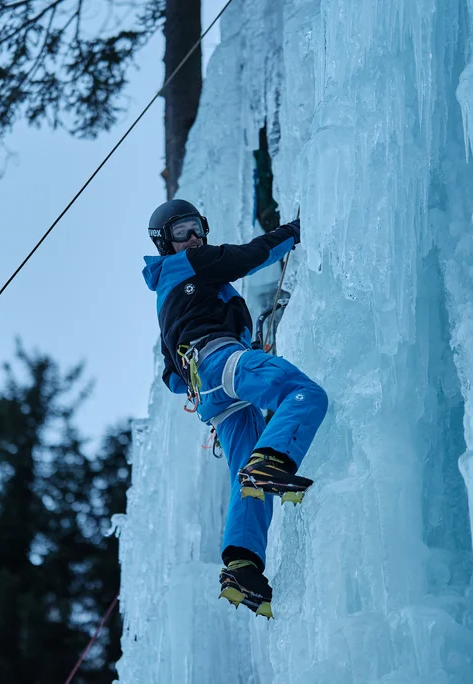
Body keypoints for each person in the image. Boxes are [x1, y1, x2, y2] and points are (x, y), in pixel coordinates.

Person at [141, 198, 329, 619]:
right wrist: (299, 229)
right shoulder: (193, 264)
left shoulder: (166, 295)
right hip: (220, 362)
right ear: (164, 242)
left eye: (196, 228)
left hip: (210, 396)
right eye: (181, 232)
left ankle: (242, 567)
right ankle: (273, 458)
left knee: (246, 480)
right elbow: (249, 256)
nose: (193, 237)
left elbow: (171, 378)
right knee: (302, 393)